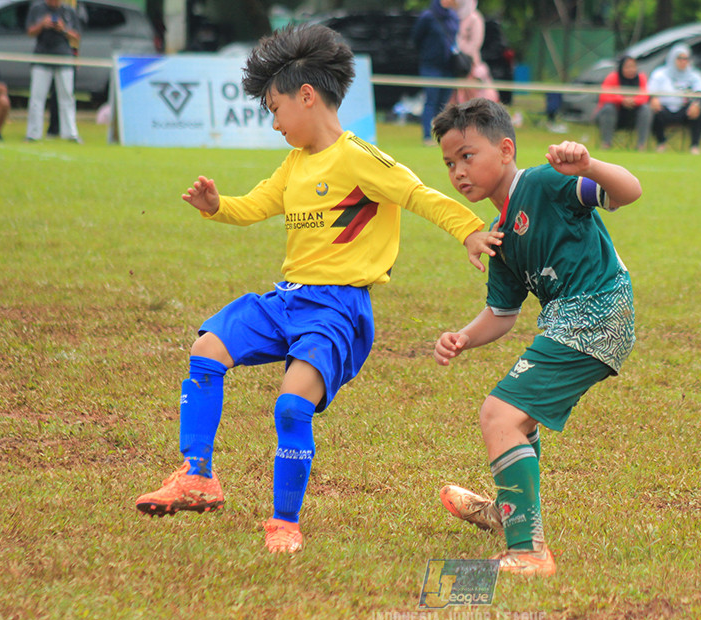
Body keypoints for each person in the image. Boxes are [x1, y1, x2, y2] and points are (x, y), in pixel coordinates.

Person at [134, 24, 503, 557]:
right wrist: (218, 207)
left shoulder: (359, 158)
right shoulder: (295, 164)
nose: (275, 121)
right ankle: (197, 477)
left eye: (275, 108)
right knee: (207, 350)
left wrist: (470, 229)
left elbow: (418, 195)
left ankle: (284, 523)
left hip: (336, 310)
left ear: (307, 96)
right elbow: (256, 206)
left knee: (291, 407)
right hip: (288, 299)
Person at [430, 98, 643, 577]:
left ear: (506, 150)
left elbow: (629, 192)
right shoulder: (498, 232)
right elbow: (502, 314)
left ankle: (528, 551)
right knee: (517, 419)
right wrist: (463, 337)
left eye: (467, 155)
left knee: (497, 414)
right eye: (448, 163)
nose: (458, 171)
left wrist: (589, 165)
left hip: (598, 313)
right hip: (567, 322)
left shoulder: (546, 182)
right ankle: (511, 515)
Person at [25, 0, 82, 143]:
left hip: (64, 57)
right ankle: (33, 134)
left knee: (67, 96)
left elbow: (76, 36)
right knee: (37, 97)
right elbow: (30, 32)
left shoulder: (69, 12)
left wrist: (62, 29)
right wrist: (42, 25)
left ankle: (70, 134)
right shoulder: (37, 9)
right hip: (42, 56)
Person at [412, 0, 459, 145]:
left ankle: (441, 135)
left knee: (443, 103)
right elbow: (416, 38)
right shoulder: (428, 16)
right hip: (431, 66)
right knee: (431, 100)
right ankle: (427, 135)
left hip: (448, 66)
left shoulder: (453, 16)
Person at [647, 43, 701, 154]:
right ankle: (661, 143)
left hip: (685, 110)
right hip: (664, 109)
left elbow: (700, 92)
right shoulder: (660, 74)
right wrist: (653, 99)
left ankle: (695, 146)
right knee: (652, 111)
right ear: (672, 58)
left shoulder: (695, 75)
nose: (683, 61)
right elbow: (652, 92)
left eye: (686, 58)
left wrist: (696, 104)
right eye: (679, 58)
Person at [594, 55, 651, 150]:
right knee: (608, 108)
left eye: (633, 66)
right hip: (614, 115)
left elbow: (645, 97)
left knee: (645, 109)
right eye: (627, 67)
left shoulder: (641, 78)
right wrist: (622, 100)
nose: (631, 69)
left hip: (633, 115)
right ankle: (606, 144)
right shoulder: (613, 77)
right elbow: (604, 96)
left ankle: (641, 145)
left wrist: (633, 101)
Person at [451, 0, 499, 105]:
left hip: (469, 65)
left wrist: (459, 48)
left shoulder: (475, 18)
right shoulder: (451, 17)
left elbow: (475, 44)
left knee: (471, 100)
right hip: (453, 65)